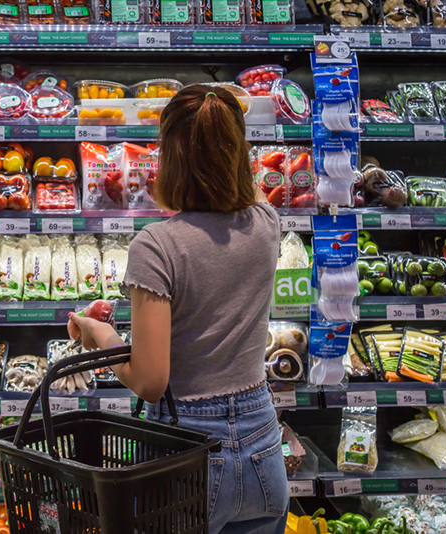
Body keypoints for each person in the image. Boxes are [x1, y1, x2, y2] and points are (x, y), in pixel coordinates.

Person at [67, 85, 287, 534]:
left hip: (187, 446)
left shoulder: (157, 245)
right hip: (263, 440)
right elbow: (239, 198)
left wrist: (100, 336)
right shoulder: (266, 223)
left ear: (169, 157)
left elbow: (150, 381)